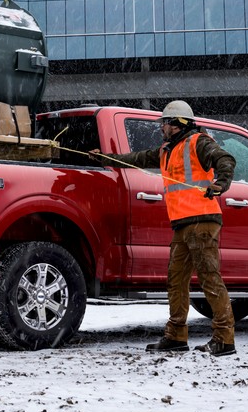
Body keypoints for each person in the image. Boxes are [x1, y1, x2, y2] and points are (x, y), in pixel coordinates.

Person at [92, 100, 238, 356]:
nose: (162, 128)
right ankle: (176, 336)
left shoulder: (198, 142)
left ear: (178, 124)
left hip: (203, 221)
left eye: (165, 124)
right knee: (176, 281)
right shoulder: (166, 150)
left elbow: (225, 159)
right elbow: (135, 158)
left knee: (209, 279)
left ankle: (224, 339)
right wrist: (106, 158)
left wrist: (220, 183)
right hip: (182, 224)